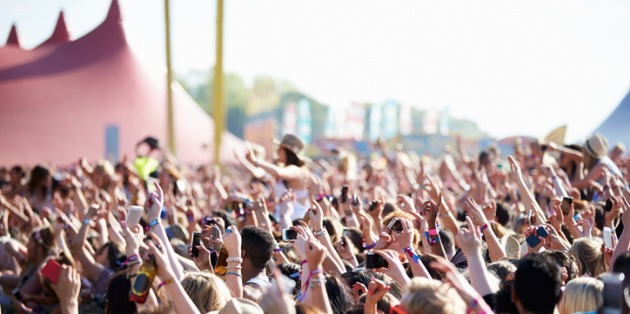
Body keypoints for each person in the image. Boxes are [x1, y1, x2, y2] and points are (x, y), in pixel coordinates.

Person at [244, 134, 311, 220]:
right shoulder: (287, 169)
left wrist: (255, 161)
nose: (277, 151)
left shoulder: (296, 170)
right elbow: (259, 174)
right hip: (281, 220)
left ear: (287, 152)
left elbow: (278, 173)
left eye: (280, 148)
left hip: (295, 223)